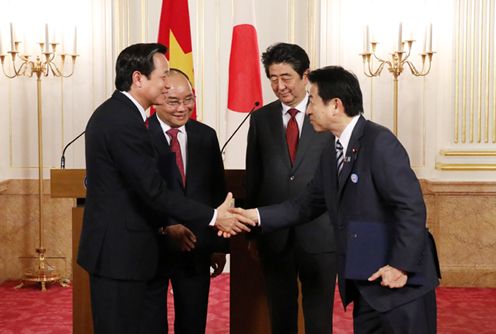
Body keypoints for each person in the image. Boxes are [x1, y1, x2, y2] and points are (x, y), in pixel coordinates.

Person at [234, 66, 440, 334]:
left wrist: (400, 266)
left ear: (335, 105)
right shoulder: (332, 152)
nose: (307, 110)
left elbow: (410, 207)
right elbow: (305, 205)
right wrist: (254, 216)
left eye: (313, 101)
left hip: (400, 283)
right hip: (366, 280)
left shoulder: (379, 142)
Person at [77, 43, 253, 334]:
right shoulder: (122, 121)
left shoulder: (122, 114)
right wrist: (213, 216)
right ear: (138, 78)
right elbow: (153, 190)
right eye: (162, 77)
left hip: (127, 253)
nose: (165, 83)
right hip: (119, 254)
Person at [245, 43, 337, 334]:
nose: (279, 85)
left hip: (321, 233)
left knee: (318, 315)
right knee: (280, 312)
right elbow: (254, 178)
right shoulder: (261, 117)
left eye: (286, 77)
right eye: (272, 78)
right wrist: (253, 232)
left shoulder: (327, 113)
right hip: (274, 234)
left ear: (305, 75)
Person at [141, 69, 228, 334]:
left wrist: (217, 245)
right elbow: (137, 194)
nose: (183, 108)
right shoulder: (139, 136)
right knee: (150, 323)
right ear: (156, 100)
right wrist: (167, 227)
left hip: (196, 248)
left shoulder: (206, 135)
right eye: (173, 102)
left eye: (188, 99)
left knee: (193, 322)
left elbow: (217, 192)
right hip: (151, 247)